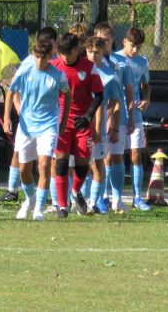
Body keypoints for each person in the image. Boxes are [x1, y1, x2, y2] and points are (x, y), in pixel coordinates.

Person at [9, 39, 70, 221]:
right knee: (23, 169)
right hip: (27, 127)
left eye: (43, 58)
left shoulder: (57, 75)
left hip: (48, 126)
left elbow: (68, 94)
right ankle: (30, 200)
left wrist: (63, 121)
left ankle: (39, 210)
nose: (39, 61)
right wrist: (7, 118)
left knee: (44, 165)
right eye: (37, 57)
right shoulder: (25, 70)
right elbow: (12, 91)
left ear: (49, 56)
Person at [50, 33, 104, 218]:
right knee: (61, 163)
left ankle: (75, 191)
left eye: (67, 53)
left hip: (82, 122)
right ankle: (62, 207)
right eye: (61, 53)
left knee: (82, 163)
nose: (64, 57)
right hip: (61, 122)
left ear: (75, 50)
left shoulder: (90, 68)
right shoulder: (54, 67)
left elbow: (99, 95)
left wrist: (89, 116)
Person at [2, 27, 58, 202]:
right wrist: (16, 107)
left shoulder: (59, 64)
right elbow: (13, 88)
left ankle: (54, 200)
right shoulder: (29, 62)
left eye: (49, 44)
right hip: (29, 120)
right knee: (19, 154)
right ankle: (12, 190)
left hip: (50, 121)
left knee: (48, 161)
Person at [93, 22, 135, 213]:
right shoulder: (93, 64)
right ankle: (100, 197)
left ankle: (117, 199)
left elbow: (127, 92)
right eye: (100, 40)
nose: (103, 44)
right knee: (98, 159)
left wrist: (130, 117)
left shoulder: (120, 64)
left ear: (112, 40)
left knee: (116, 156)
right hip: (96, 120)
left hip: (119, 117)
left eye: (107, 40)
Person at [83, 36, 121, 214]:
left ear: (102, 53)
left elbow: (114, 100)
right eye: (89, 51)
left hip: (98, 129)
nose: (92, 55)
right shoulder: (81, 70)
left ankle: (93, 201)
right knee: (80, 164)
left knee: (98, 166)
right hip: (81, 125)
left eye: (96, 53)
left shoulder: (109, 76)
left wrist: (107, 118)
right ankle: (79, 200)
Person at [117, 27, 152, 211]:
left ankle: (137, 197)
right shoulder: (115, 59)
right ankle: (113, 196)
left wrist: (147, 99)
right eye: (132, 46)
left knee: (136, 154)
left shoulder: (142, 62)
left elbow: (146, 85)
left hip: (135, 113)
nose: (135, 50)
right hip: (115, 112)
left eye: (139, 47)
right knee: (115, 156)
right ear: (124, 42)